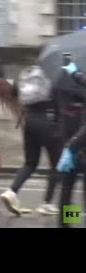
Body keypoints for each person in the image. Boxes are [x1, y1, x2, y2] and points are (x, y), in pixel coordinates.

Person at [0, 67, 62, 216]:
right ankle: (47, 204)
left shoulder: (28, 84)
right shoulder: (50, 85)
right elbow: (59, 109)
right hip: (47, 123)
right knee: (57, 165)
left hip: (29, 122)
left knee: (30, 163)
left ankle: (11, 192)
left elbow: (14, 93)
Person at [56, 56, 86, 228]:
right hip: (77, 141)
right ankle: (69, 222)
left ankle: (68, 223)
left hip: (70, 140)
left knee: (68, 188)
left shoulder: (59, 82)